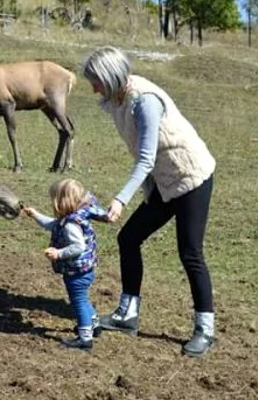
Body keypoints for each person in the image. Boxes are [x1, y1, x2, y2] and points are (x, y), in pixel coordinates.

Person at [82, 46, 217, 357]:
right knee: (128, 238)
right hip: (164, 181)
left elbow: (145, 159)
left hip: (191, 177)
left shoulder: (144, 102)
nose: (93, 88)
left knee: (190, 252)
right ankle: (127, 314)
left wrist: (121, 199)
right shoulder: (117, 99)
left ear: (111, 77)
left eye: (96, 81)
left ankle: (205, 330)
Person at [23, 179, 109, 351]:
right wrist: (35, 215)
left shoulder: (70, 225)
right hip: (85, 268)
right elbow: (52, 225)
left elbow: (78, 247)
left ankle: (85, 338)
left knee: (78, 301)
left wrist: (58, 253)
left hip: (76, 271)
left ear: (61, 202)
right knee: (83, 299)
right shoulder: (73, 217)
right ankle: (94, 325)